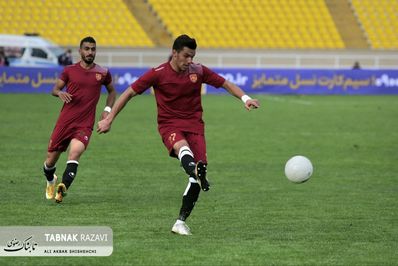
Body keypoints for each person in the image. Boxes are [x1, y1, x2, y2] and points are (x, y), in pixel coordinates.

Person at [97, 34, 260, 235]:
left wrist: (245, 98)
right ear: (174, 53)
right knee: (182, 149)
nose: (189, 60)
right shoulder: (157, 73)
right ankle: (193, 170)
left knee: (197, 179)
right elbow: (129, 92)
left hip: (195, 127)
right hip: (170, 125)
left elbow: (225, 83)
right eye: (186, 56)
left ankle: (180, 222)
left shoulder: (198, 71)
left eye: (192, 56)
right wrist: (109, 118)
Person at [43, 36, 116, 203]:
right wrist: (60, 93)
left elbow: (112, 92)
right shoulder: (69, 70)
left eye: (93, 49)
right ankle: (50, 180)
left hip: (84, 124)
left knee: (75, 152)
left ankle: (63, 187)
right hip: (65, 122)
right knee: (49, 161)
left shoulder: (103, 73)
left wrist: (107, 110)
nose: (90, 52)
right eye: (87, 49)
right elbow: (55, 89)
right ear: (80, 51)